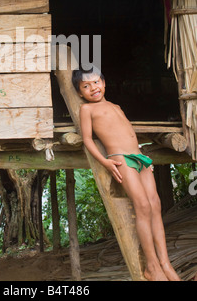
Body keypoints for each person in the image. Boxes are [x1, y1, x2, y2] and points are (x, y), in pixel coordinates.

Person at [72, 66, 181, 282]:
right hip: (121, 158)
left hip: (139, 158)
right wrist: (105, 162)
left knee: (155, 205)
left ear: (103, 83)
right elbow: (86, 139)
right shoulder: (87, 110)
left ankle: (165, 263)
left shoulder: (115, 106)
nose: (93, 87)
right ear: (80, 93)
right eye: (86, 86)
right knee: (142, 206)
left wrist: (143, 157)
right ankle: (152, 267)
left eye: (96, 82)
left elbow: (128, 132)